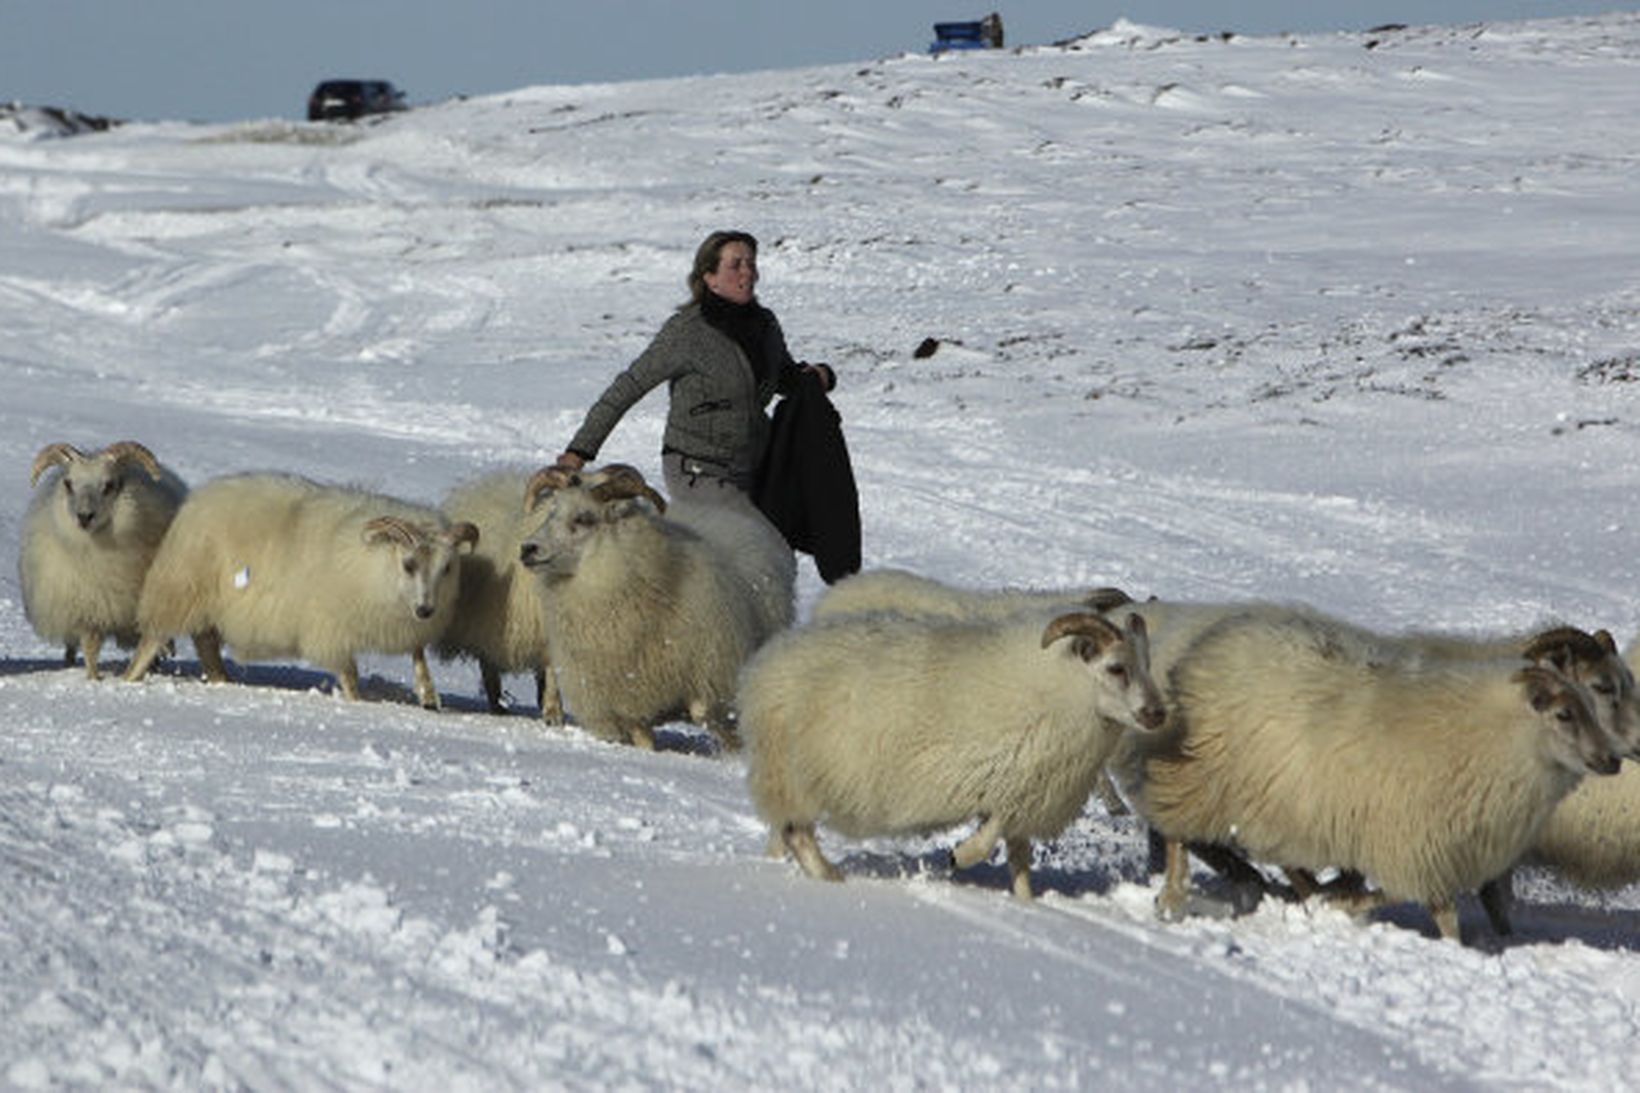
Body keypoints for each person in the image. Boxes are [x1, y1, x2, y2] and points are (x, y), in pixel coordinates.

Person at [556, 230, 835, 523]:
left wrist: (817, 377)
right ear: (709, 277)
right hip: (697, 469)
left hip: (753, 469)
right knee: (753, 538)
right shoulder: (686, 331)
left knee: (776, 546)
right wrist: (579, 452)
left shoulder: (765, 325)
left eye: (751, 264)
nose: (748, 273)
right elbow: (629, 387)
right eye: (736, 265)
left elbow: (781, 377)